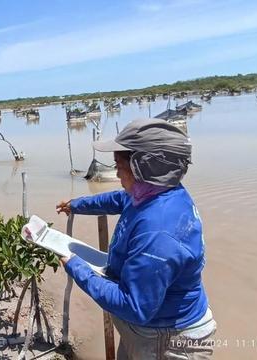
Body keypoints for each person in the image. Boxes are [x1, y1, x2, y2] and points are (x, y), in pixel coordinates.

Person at [56, 119, 216, 359]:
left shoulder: (158, 230)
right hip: (148, 332)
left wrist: (77, 267)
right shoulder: (153, 193)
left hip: (168, 340)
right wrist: (77, 205)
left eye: (119, 164)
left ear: (144, 167)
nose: (116, 170)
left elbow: (135, 307)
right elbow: (118, 200)